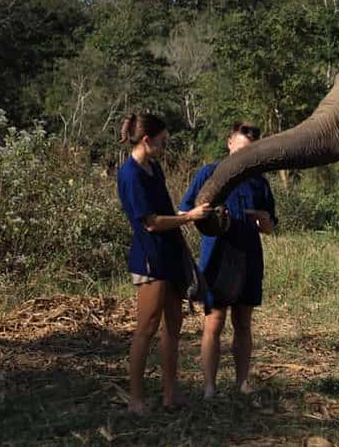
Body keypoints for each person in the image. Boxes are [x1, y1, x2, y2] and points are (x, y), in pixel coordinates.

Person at [116, 113, 213, 414]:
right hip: (150, 258)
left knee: (173, 325)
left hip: (169, 254)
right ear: (147, 140)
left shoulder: (153, 167)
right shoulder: (130, 175)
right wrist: (189, 217)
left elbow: (164, 211)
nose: (165, 144)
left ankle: (171, 394)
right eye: (162, 140)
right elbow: (150, 223)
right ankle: (136, 399)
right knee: (146, 328)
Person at [179, 121, 277, 398]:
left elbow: (270, 227)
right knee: (215, 321)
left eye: (252, 150)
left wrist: (263, 220)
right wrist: (210, 215)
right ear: (230, 143)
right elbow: (186, 209)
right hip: (218, 256)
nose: (246, 154)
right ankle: (209, 386)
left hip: (249, 257)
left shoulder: (258, 181)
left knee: (244, 322)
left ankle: (241, 382)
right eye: (243, 147)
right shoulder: (211, 173)